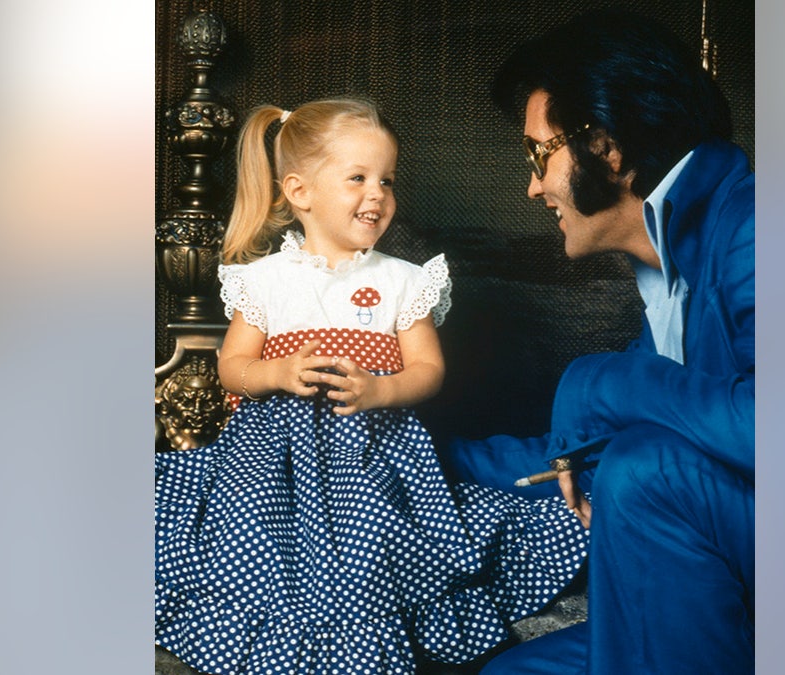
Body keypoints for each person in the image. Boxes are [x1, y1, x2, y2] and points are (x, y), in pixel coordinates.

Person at [154, 98, 588, 675]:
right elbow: (232, 366)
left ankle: (364, 624)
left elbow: (428, 371)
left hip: (372, 451)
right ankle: (269, 625)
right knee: (245, 528)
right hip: (271, 455)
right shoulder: (265, 282)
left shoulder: (403, 281)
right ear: (300, 192)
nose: (378, 193)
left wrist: (379, 391)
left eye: (388, 179)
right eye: (358, 178)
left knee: (377, 542)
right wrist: (276, 373)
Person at [443, 10, 754, 674]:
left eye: (538, 153)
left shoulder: (757, 222)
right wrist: (419, 456)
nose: (532, 186)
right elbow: (577, 454)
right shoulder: (667, 271)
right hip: (723, 569)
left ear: (606, 147)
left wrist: (601, 381)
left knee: (644, 465)